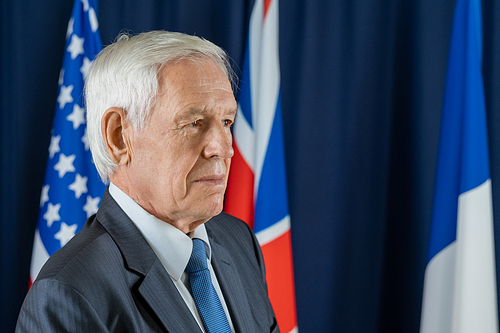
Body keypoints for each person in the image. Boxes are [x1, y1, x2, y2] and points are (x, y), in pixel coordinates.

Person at [16, 31, 278, 333]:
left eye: (227, 122)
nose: (223, 147)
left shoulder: (238, 241)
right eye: (194, 123)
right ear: (118, 136)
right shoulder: (67, 294)